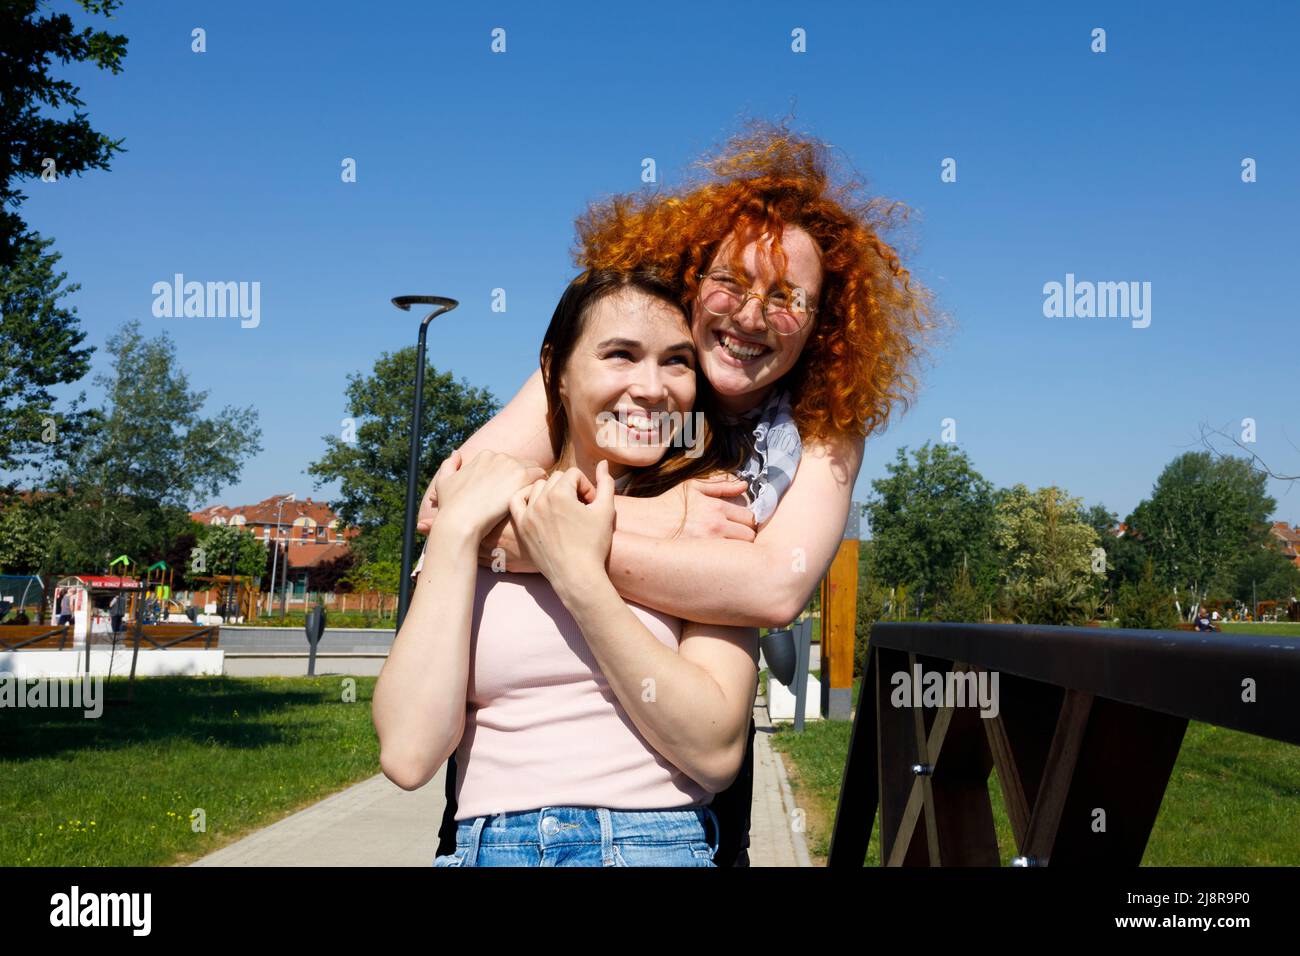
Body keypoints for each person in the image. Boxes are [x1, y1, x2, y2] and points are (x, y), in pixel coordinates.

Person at [414, 121, 943, 865]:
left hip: (680, 796)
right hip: (503, 799)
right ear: (693, 279)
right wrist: (666, 520)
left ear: (822, 326)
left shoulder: (826, 427)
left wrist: (566, 535)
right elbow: (452, 503)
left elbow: (772, 589)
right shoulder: (622, 356)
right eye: (731, 282)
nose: (753, 316)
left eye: (789, 298)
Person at [374, 268, 760, 866]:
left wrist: (578, 574)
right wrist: (454, 532)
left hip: (651, 846)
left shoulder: (709, 514)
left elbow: (714, 749)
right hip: (487, 847)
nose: (652, 388)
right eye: (621, 355)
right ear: (555, 371)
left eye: (677, 362)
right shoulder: (480, 512)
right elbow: (407, 753)